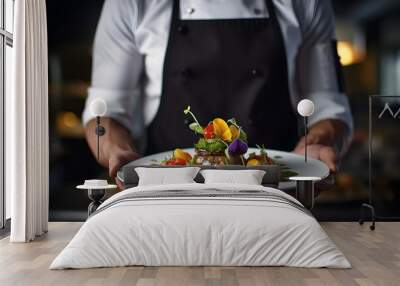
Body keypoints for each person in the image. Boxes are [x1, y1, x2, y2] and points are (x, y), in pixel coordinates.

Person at [83, 0, 353, 181]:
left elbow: (328, 106)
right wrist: (115, 149)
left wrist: (321, 141)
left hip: (276, 193)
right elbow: (106, 109)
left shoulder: (307, 3)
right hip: (167, 196)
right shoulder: (130, 4)